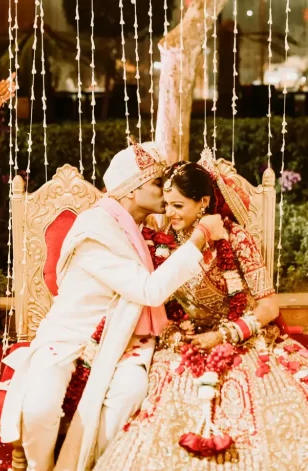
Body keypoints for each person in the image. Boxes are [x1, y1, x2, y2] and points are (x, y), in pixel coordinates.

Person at [0, 142, 229, 471]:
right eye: (155, 183)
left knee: (129, 394)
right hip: (69, 336)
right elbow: (149, 291)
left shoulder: (140, 228)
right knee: (39, 407)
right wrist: (201, 236)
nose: (164, 190)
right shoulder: (96, 229)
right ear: (132, 191)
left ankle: (84, 465)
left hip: (124, 338)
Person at [94, 154, 308, 470]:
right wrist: (175, 332)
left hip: (240, 338)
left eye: (178, 206)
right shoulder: (160, 244)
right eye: (166, 204)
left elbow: (268, 306)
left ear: (203, 202)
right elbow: (154, 301)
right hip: (185, 343)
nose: (169, 213)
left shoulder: (235, 239)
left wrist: (225, 334)